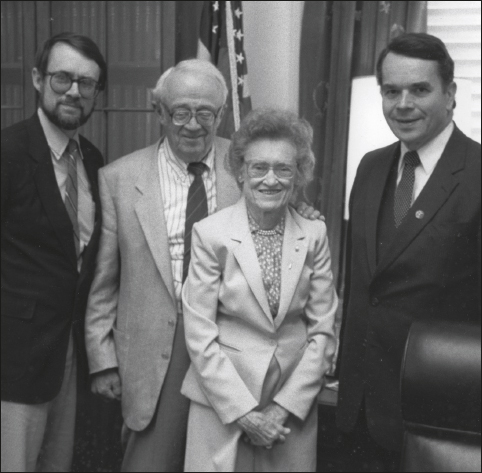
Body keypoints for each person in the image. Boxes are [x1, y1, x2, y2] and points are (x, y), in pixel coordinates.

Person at [84, 59, 320, 472]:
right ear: (159, 112)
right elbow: (106, 278)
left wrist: (305, 212)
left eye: (205, 113)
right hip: (159, 348)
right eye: (180, 112)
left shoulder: (252, 163)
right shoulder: (119, 178)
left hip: (232, 344)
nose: (193, 125)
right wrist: (102, 356)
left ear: (222, 114)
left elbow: (287, 214)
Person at [336, 33, 481, 471]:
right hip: (359, 410)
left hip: (441, 416)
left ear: (450, 94)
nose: (403, 103)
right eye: (391, 90)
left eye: (420, 89)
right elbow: (362, 281)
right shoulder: (369, 166)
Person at [181, 108, 338, 472]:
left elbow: (323, 332)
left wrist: (282, 409)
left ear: (298, 175)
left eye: (284, 169)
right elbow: (199, 335)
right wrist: (246, 414)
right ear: (239, 171)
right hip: (222, 405)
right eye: (258, 168)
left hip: (290, 410)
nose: (271, 180)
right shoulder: (211, 233)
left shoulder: (314, 234)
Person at [1, 32, 106, 472]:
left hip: (69, 357)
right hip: (14, 359)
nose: (74, 92)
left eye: (87, 83)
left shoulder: (94, 160)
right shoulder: (7, 153)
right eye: (63, 78)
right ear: (37, 79)